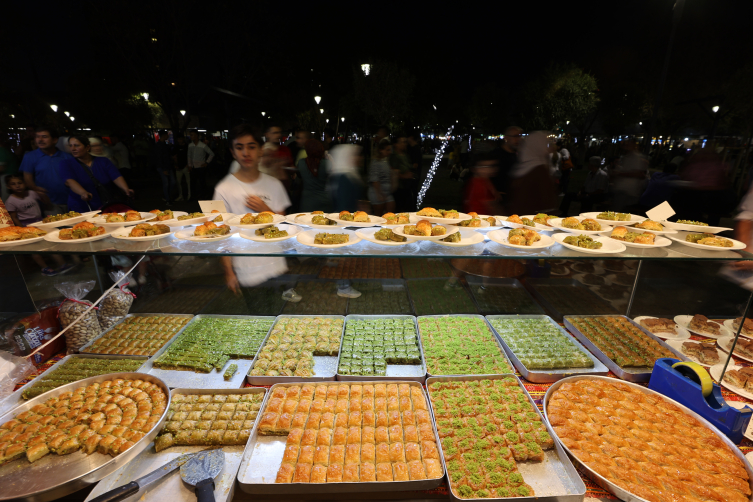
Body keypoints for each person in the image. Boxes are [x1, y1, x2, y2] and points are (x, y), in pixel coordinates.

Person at [214, 124, 300, 303]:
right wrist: (229, 272)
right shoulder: (223, 189)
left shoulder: (273, 184)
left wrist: (265, 210)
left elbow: (283, 226)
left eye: (251, 147)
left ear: (261, 150)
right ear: (233, 152)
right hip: (247, 270)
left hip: (276, 266)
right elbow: (221, 236)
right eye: (239, 147)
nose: (246, 153)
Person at [4, 174, 71, 276]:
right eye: (13, 184)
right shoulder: (10, 201)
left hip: (40, 222)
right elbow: (14, 217)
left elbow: (46, 203)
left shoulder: (31, 193)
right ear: (8, 186)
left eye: (20, 183)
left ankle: (62, 264)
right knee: (34, 249)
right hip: (26, 225)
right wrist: (22, 230)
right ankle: (45, 268)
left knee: (49, 244)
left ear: (25, 184)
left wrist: (44, 196)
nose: (17, 186)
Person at [59, 135, 134, 213]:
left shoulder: (103, 161)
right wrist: (83, 193)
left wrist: (126, 189)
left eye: (77, 145)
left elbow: (116, 176)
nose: (73, 149)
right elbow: (69, 181)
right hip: (81, 206)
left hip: (104, 205)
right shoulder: (66, 163)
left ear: (87, 147)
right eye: (70, 146)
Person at [20, 126, 72, 214]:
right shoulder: (30, 156)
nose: (40, 140)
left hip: (70, 199)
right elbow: (27, 178)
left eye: (44, 137)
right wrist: (35, 189)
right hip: (48, 202)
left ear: (55, 140)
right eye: (37, 136)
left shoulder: (67, 157)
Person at [505, 131, 558, 215]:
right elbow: (546, 200)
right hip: (533, 218)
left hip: (518, 215)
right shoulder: (539, 169)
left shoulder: (521, 166)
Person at [612, 139, 648, 212]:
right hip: (621, 190)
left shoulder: (636, 157)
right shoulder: (625, 157)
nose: (625, 146)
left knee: (620, 213)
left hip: (628, 192)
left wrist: (620, 173)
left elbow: (640, 174)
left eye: (628, 144)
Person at [297, 139, 332, 212]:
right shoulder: (327, 163)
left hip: (307, 202)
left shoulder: (301, 163)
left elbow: (299, 176)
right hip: (325, 200)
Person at [328, 144, 364, 212]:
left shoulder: (350, 174)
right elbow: (343, 205)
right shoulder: (343, 178)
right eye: (354, 155)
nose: (360, 158)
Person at [492, 126, 522, 202]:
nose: (518, 139)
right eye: (515, 136)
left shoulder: (517, 155)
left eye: (519, 136)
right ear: (506, 138)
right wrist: (495, 192)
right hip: (499, 199)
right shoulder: (496, 155)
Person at [368, 138, 395, 214]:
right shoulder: (376, 162)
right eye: (387, 150)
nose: (389, 152)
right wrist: (379, 194)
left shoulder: (386, 161)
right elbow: (374, 179)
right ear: (381, 150)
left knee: (391, 213)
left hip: (387, 192)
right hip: (377, 192)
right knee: (378, 214)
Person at [389, 135, 414, 212]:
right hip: (399, 188)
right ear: (396, 144)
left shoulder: (405, 155)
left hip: (407, 186)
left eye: (405, 142)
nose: (405, 144)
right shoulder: (394, 156)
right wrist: (404, 176)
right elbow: (392, 172)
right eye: (402, 142)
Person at [188, 130, 214, 200]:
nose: (190, 136)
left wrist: (206, 162)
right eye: (190, 135)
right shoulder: (190, 145)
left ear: (196, 136)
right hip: (193, 167)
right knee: (193, 183)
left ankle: (204, 195)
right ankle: (194, 196)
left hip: (201, 167)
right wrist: (190, 165)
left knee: (202, 182)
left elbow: (211, 154)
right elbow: (189, 156)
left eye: (192, 135)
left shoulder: (202, 145)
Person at [149, 131, 175, 204]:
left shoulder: (163, 144)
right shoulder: (159, 145)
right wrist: (163, 168)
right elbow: (159, 158)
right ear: (164, 135)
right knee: (167, 183)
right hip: (163, 167)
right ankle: (168, 199)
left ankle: (167, 197)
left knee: (171, 182)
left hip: (167, 166)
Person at [0, 136, 20, 201]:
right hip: (11, 176)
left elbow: (1, 168)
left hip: (7, 177)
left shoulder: (1, 150)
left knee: (5, 199)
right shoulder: (4, 150)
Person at [174, 135, 190, 200]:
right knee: (178, 182)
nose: (179, 141)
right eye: (178, 139)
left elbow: (190, 156)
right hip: (179, 167)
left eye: (180, 139)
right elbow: (174, 156)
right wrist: (175, 164)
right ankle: (181, 195)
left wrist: (188, 164)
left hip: (186, 166)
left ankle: (189, 195)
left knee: (188, 182)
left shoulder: (187, 146)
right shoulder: (176, 147)